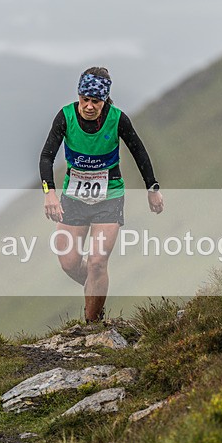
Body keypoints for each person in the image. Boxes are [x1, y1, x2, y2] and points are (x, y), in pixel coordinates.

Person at [39, 66, 163, 323]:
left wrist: (152, 189)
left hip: (109, 197)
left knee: (97, 262)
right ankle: (97, 286)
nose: (89, 106)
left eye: (95, 101)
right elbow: (47, 156)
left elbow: (139, 152)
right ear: (78, 95)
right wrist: (49, 193)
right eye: (84, 99)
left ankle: (92, 325)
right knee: (69, 263)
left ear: (105, 99)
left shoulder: (117, 119)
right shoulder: (65, 116)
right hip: (73, 198)